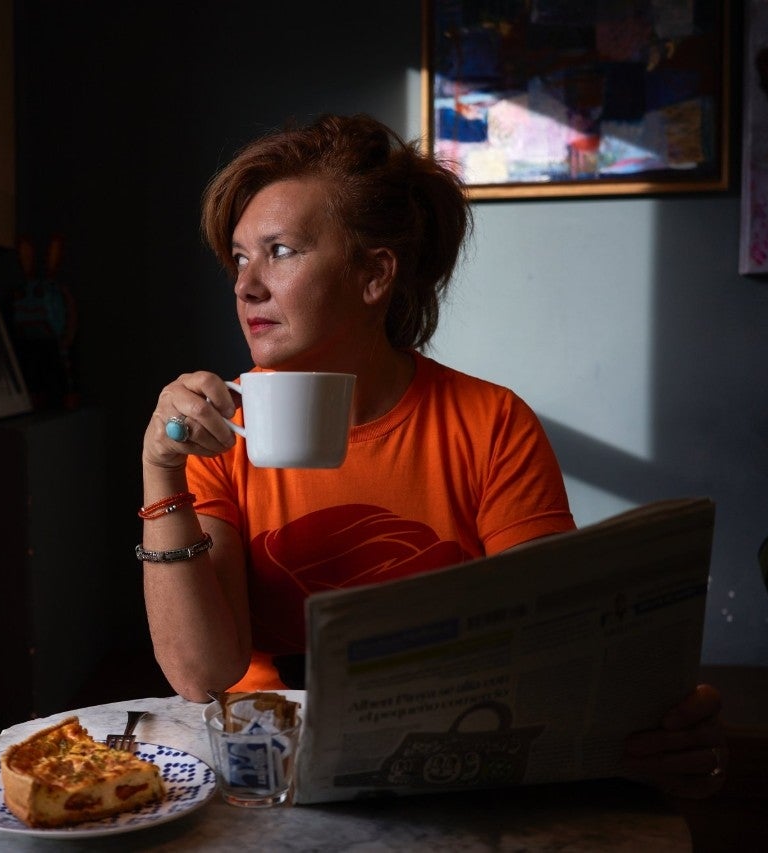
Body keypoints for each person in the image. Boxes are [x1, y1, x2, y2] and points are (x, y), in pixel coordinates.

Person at [137, 113, 726, 798]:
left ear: (374, 275)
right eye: (240, 257)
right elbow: (201, 673)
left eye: (282, 251)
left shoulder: (490, 423)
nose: (246, 285)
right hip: (268, 779)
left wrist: (653, 726)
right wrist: (161, 469)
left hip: (448, 777)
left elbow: (550, 654)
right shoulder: (216, 431)